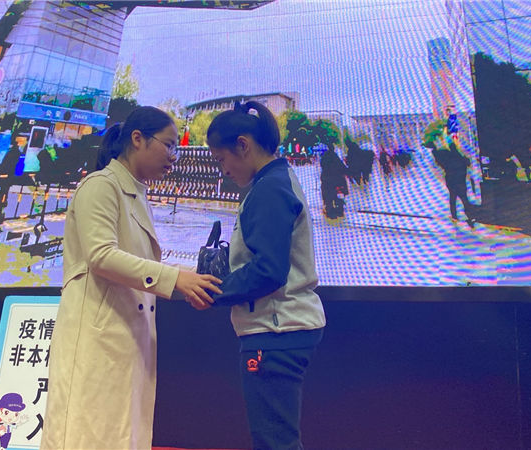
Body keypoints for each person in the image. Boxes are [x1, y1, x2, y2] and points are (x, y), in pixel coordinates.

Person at [41, 106, 222, 450]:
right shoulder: (100, 186)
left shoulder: (138, 195)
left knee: (121, 435)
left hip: (126, 340)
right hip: (97, 341)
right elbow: (101, 256)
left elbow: (140, 266)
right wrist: (176, 278)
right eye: (169, 145)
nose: (174, 156)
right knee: (86, 435)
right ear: (138, 139)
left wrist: (187, 281)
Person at [204, 101, 326, 450]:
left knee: (274, 441)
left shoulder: (269, 188)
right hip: (283, 329)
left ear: (243, 145)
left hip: (276, 332)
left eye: (222, 159)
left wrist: (212, 290)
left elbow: (269, 270)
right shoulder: (275, 180)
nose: (224, 170)